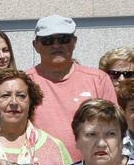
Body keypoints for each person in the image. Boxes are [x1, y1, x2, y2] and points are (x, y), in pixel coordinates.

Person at [26, 15, 115, 153]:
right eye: (48, 41)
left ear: (74, 42)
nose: (56, 45)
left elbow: (113, 128)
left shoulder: (98, 79)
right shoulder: (24, 83)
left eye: (63, 39)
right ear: (35, 45)